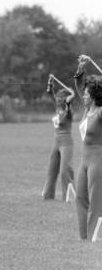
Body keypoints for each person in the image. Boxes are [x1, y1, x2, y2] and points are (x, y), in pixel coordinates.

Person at [73, 55, 102, 240]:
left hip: (99, 161)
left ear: (94, 96)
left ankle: (95, 236)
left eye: (86, 93)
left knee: (96, 200)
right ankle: (84, 236)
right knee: (80, 197)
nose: (83, 94)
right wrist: (81, 68)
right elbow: (79, 85)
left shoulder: (100, 112)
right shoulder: (87, 109)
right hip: (85, 161)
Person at [42, 76, 75, 201]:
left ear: (66, 99)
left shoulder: (68, 111)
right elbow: (50, 93)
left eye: (62, 97)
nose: (59, 99)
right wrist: (50, 83)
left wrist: (71, 96)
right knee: (51, 169)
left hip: (66, 143)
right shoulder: (57, 107)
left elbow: (68, 103)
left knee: (65, 171)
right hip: (56, 142)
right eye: (59, 97)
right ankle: (48, 195)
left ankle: (69, 196)